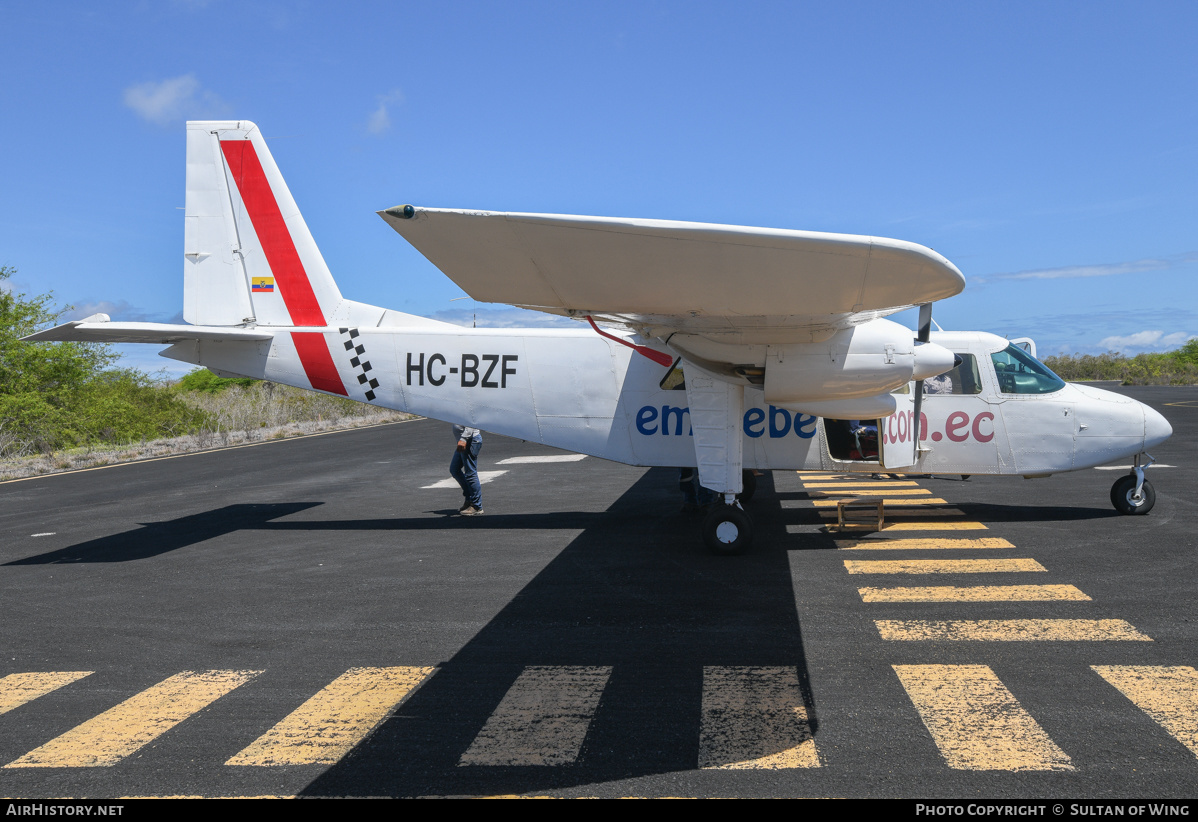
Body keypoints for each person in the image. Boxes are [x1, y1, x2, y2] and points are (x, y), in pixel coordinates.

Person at [451, 424, 484, 516]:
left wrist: (464, 439)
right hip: (463, 441)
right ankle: (469, 498)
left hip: (470, 441)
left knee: (470, 473)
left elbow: (471, 423)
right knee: (454, 469)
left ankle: (477, 506)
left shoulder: (465, 409)